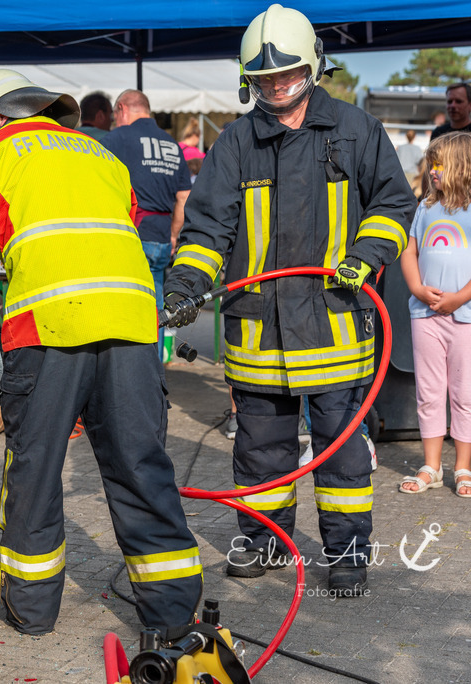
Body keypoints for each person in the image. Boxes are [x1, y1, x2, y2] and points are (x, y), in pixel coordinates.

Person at [164, 4, 416, 597]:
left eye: (287, 74)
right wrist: (184, 288)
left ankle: (347, 552)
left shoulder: (356, 131)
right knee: (260, 451)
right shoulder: (236, 142)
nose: (277, 86)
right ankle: (265, 539)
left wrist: (366, 253)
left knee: (341, 453)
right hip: (259, 331)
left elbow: (392, 203)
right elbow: (207, 229)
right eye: (264, 78)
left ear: (314, 67)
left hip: (334, 325)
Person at [0, 68, 202, 638]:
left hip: (46, 328)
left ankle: (34, 610)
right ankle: (172, 614)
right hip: (131, 323)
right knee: (140, 462)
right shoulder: (101, 153)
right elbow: (123, 223)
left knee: (37, 465)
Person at [398, 132, 471, 498]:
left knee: (464, 393)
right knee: (429, 391)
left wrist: (459, 298)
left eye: (439, 165)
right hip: (424, 315)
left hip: (466, 317)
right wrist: (417, 289)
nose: (432, 171)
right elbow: (409, 252)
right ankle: (432, 465)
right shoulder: (424, 208)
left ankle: (463, 466)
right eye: (431, 165)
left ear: (461, 167)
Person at [103, 89, 191, 357]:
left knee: (124, 306)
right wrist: (173, 235)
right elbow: (183, 198)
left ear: (122, 108)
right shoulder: (172, 145)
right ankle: (154, 367)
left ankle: (127, 366)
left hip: (132, 236)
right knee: (156, 306)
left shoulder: (118, 138)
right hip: (162, 237)